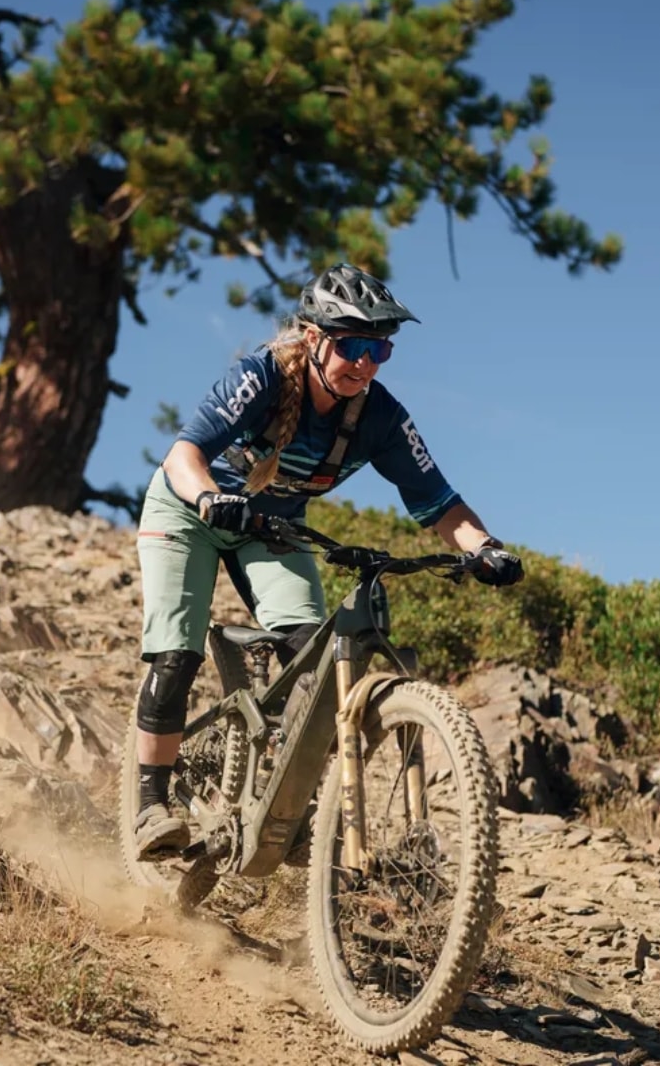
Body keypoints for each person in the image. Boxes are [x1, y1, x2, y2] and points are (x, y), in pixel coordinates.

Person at [131, 262, 526, 858]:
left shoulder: (381, 417)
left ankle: (283, 807)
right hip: (189, 512)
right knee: (175, 653)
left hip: (272, 527)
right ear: (314, 339)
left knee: (309, 659)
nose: (365, 363)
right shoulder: (260, 376)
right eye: (353, 346)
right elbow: (185, 454)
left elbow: (440, 502)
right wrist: (211, 497)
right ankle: (149, 806)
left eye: (380, 350)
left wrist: (485, 549)